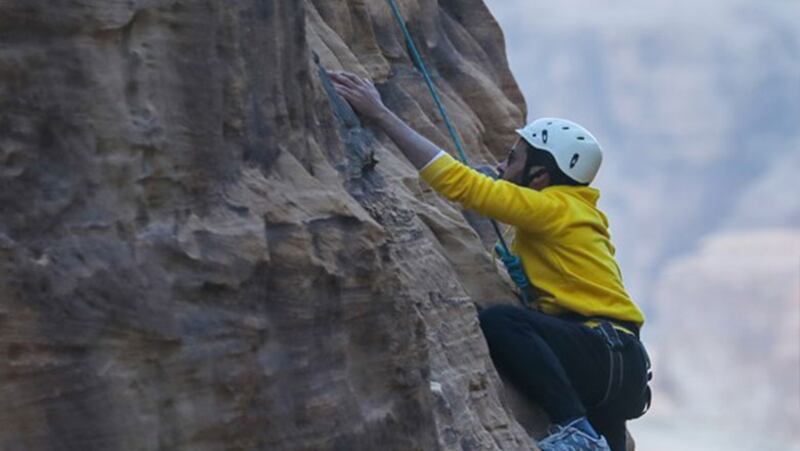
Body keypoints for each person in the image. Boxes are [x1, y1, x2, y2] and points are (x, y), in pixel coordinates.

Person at [329, 71, 651, 451]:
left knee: (501, 322)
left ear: (540, 176)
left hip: (597, 352)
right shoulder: (571, 210)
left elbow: (462, 186)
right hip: (619, 368)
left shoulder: (553, 208)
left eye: (512, 159)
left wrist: (381, 114)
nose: (502, 164)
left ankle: (575, 431)